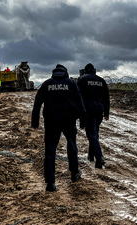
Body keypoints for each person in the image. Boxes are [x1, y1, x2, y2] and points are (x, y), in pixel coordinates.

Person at [31, 64, 86, 192]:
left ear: (54, 73)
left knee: (50, 151)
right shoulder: (71, 84)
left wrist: (35, 122)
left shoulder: (46, 84)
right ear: (65, 72)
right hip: (69, 120)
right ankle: (74, 173)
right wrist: (83, 121)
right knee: (72, 145)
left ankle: (50, 183)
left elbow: (37, 103)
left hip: (51, 122)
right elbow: (80, 102)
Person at [77, 63, 110, 169]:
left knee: (91, 134)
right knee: (94, 133)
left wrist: (78, 113)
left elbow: (78, 97)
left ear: (85, 70)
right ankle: (91, 156)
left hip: (88, 111)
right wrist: (106, 113)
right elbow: (106, 98)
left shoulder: (82, 79)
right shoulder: (101, 80)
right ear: (94, 70)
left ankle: (99, 157)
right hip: (99, 111)